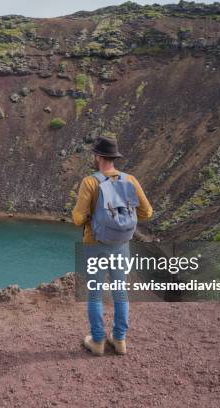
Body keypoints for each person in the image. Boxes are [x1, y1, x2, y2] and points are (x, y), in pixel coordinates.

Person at [72, 135, 153, 356]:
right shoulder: (130, 180)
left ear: (97, 157)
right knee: (120, 291)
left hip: (94, 244)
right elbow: (147, 212)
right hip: (122, 245)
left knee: (95, 293)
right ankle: (119, 340)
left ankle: (97, 341)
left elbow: (78, 218)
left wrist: (93, 216)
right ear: (114, 157)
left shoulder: (90, 182)